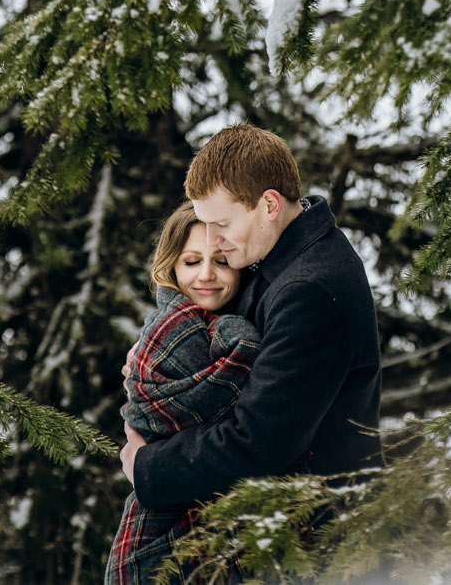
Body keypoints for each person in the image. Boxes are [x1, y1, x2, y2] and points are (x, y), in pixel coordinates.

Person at [120, 124, 383, 518]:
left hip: (325, 539)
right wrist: (160, 352)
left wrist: (148, 466)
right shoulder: (285, 250)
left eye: (221, 225)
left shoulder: (310, 288)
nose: (212, 239)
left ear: (270, 205)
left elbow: (259, 442)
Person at [107, 202, 259, 585]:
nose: (206, 275)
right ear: (171, 266)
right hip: (168, 510)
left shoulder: (217, 326)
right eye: (191, 262)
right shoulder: (177, 328)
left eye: (222, 262)